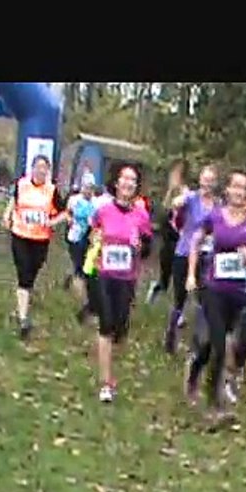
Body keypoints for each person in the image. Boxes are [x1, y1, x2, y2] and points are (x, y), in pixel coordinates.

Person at [184, 171, 246, 422]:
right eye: (235, 187)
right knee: (220, 346)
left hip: (238, 291)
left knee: (211, 345)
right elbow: (195, 242)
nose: (239, 192)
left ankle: (195, 369)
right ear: (227, 190)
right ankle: (213, 403)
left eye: (244, 188)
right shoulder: (215, 217)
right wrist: (191, 275)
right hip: (213, 288)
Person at [84, 166, 153, 403]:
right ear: (116, 183)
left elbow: (147, 250)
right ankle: (106, 383)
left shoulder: (141, 216)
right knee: (106, 325)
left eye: (133, 180)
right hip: (104, 274)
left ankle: (111, 365)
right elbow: (91, 235)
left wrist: (139, 247)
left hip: (127, 278)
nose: (128, 183)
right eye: (125, 179)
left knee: (120, 330)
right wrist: (94, 238)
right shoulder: (103, 211)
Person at [1, 154, 68, 339]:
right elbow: (14, 201)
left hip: (40, 239)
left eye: (44, 168)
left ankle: (22, 302)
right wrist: (7, 216)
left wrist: (53, 222)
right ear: (32, 168)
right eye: (38, 167)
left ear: (48, 171)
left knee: (32, 272)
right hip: (20, 235)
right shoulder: (22, 184)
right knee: (23, 272)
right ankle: (23, 319)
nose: (41, 170)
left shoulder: (52, 190)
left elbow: (64, 213)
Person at [165, 164, 218, 353]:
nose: (207, 183)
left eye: (211, 181)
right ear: (200, 180)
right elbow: (175, 204)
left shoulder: (217, 205)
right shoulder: (191, 198)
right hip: (184, 251)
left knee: (204, 299)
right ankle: (170, 338)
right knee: (180, 297)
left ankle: (198, 340)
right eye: (205, 179)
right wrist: (178, 201)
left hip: (206, 257)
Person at [146, 159, 189, 305]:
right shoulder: (169, 194)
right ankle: (157, 291)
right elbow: (163, 215)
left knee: (179, 277)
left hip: (181, 240)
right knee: (165, 273)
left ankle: (178, 309)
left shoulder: (186, 193)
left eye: (176, 175)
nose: (173, 178)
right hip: (168, 238)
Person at [63, 172, 97, 309]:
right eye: (86, 187)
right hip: (75, 237)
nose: (89, 190)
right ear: (82, 187)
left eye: (91, 188)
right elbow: (67, 213)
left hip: (89, 238)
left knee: (86, 268)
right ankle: (83, 302)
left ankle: (71, 277)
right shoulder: (74, 200)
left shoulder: (95, 202)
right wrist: (70, 220)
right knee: (79, 266)